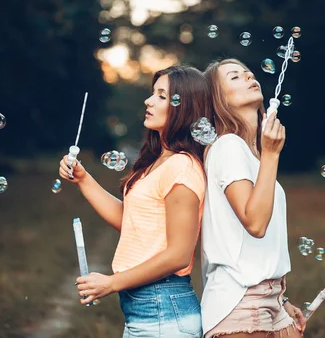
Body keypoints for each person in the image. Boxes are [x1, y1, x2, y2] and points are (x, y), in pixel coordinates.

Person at [59, 65, 211, 338]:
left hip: (164, 311)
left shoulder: (182, 167)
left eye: (162, 96)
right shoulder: (158, 161)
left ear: (184, 108)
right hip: (147, 310)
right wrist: (83, 179)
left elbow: (178, 254)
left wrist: (112, 283)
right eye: (153, 93)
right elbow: (132, 223)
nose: (149, 101)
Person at [200, 58, 307, 338]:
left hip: (272, 298)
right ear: (218, 100)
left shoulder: (252, 155)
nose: (248, 75)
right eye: (234, 77)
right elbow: (255, 223)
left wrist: (282, 299)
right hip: (240, 300)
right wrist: (272, 154)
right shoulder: (227, 146)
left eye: (247, 71)